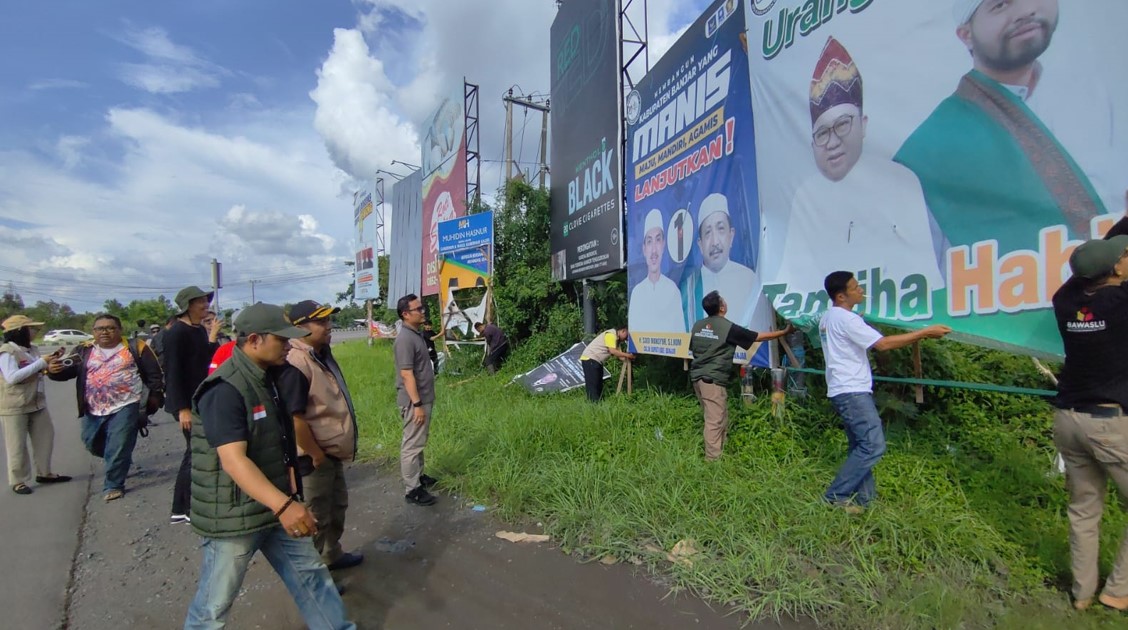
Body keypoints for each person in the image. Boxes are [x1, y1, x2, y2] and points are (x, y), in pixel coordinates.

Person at [183, 303, 354, 629]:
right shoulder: (225, 389)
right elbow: (234, 461)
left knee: (314, 580)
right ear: (254, 340)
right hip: (235, 517)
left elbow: (280, 448)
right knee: (214, 605)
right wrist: (285, 505)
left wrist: (291, 498)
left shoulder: (269, 378)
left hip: (275, 506)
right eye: (282, 339)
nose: (289, 345)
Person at [895, 0, 1110, 254]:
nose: (1026, 11)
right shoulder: (932, 148)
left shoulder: (1099, 91)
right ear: (966, 35)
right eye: (1000, 5)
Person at [780, 37, 944, 302]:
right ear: (812, 143)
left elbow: (927, 280)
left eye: (842, 124)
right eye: (822, 133)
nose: (832, 142)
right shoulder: (804, 196)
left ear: (863, 124)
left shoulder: (901, 182)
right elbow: (792, 282)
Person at [819, 271, 952, 512]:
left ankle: (865, 502)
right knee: (873, 446)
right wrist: (923, 333)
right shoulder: (847, 320)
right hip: (852, 391)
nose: (861, 290)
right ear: (841, 296)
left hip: (841, 389)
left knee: (860, 446)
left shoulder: (829, 317)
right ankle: (834, 496)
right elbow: (882, 345)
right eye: (855, 287)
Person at [1049, 235, 1128, 612]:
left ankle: (1082, 595)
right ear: (1115, 268)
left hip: (1067, 419)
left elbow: (1081, 271)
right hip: (1108, 424)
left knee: (1084, 509)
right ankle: (1117, 591)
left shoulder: (1064, 302)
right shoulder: (1121, 303)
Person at [276, 301, 364, 571]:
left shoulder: (319, 353)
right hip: (313, 459)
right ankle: (313, 580)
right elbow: (295, 418)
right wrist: (315, 454)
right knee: (314, 519)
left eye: (328, 321)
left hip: (329, 452)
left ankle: (331, 556)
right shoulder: (297, 361)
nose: (329, 327)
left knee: (336, 508)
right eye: (321, 322)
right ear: (299, 328)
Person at [48, 313, 163, 501]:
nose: (105, 332)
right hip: (93, 407)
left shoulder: (135, 347)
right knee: (91, 443)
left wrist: (155, 397)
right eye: (100, 328)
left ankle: (113, 484)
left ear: (119, 330)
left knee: (119, 444)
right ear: (93, 332)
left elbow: (154, 374)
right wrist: (53, 371)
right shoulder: (84, 350)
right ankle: (120, 459)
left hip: (127, 404)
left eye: (110, 328)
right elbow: (67, 372)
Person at [689, 291, 793, 460]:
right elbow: (757, 337)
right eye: (724, 301)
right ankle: (712, 462)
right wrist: (784, 332)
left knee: (718, 415)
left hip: (698, 378)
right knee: (714, 420)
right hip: (713, 380)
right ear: (722, 307)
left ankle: (720, 453)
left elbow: (693, 349)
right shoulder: (727, 327)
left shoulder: (698, 326)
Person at [165, 285, 221, 524]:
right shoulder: (176, 333)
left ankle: (189, 505)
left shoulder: (197, 330)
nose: (205, 305)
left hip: (201, 399)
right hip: (188, 404)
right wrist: (182, 409)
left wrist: (212, 337)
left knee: (199, 452)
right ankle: (183, 507)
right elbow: (174, 373)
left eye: (206, 301)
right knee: (194, 453)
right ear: (188, 305)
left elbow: (204, 361)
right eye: (200, 302)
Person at [0, 315, 71, 495]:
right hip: (14, 405)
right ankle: (18, 481)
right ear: (19, 331)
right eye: (31, 329)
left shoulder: (33, 349)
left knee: (45, 437)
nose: (35, 332)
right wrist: (41, 362)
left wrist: (49, 364)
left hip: (37, 401)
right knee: (17, 444)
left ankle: (44, 473)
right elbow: (12, 377)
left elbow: (35, 371)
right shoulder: (7, 351)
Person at [680, 193, 758, 330]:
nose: (715, 242)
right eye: (708, 233)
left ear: (731, 235)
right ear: (700, 244)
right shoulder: (688, 287)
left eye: (721, 229)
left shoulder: (749, 279)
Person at [394, 294, 439, 507]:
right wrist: (418, 405)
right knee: (412, 444)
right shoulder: (404, 339)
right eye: (418, 309)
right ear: (405, 314)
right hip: (415, 402)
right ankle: (412, 489)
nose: (423, 311)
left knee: (419, 441)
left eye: (422, 308)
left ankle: (419, 477)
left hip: (423, 398)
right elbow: (406, 374)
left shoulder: (416, 334)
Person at [629, 209, 686, 333]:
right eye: (649, 241)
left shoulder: (673, 290)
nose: (654, 250)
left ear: (664, 244)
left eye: (658, 240)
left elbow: (681, 333)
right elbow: (633, 334)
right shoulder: (637, 293)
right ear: (644, 249)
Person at [579, 327, 633, 403]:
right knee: (593, 384)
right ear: (623, 331)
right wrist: (627, 355)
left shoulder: (616, 340)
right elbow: (613, 351)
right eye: (627, 336)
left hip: (596, 360)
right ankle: (593, 404)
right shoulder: (611, 335)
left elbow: (620, 356)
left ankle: (598, 403)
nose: (626, 339)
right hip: (590, 359)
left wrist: (629, 359)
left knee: (598, 384)